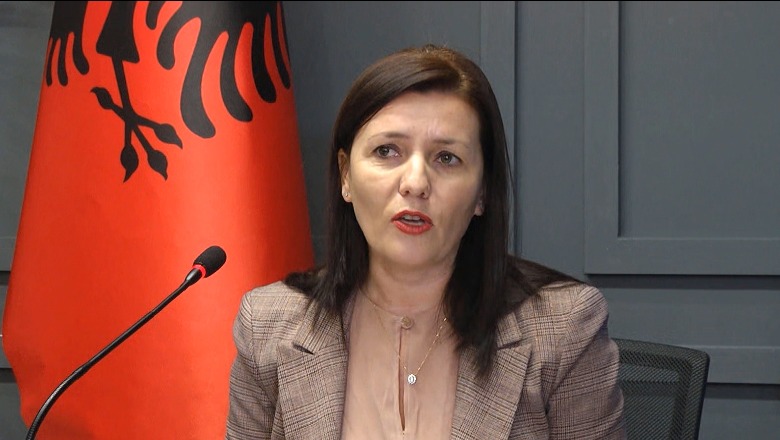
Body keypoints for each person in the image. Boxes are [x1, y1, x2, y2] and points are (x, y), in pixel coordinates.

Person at [225, 44, 625, 439]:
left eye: (446, 158)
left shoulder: (563, 330)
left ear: (482, 192)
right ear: (345, 175)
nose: (415, 183)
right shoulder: (268, 326)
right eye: (387, 151)